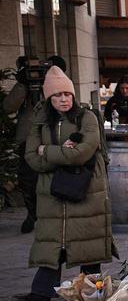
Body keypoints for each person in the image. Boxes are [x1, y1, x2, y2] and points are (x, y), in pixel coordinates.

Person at [12, 67, 115, 301]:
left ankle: (92, 294)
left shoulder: (87, 118)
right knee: (52, 241)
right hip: (51, 192)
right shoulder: (40, 122)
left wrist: (47, 150)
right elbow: (31, 158)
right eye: (57, 95)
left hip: (87, 188)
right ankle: (41, 294)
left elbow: (81, 153)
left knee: (88, 241)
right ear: (49, 98)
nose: (64, 99)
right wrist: (60, 152)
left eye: (67, 94)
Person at [3, 56, 67, 233]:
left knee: (56, 178)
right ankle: (32, 214)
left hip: (55, 137)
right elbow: (8, 107)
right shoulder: (26, 84)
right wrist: (23, 84)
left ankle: (55, 215)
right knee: (29, 180)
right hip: (29, 138)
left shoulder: (60, 85)